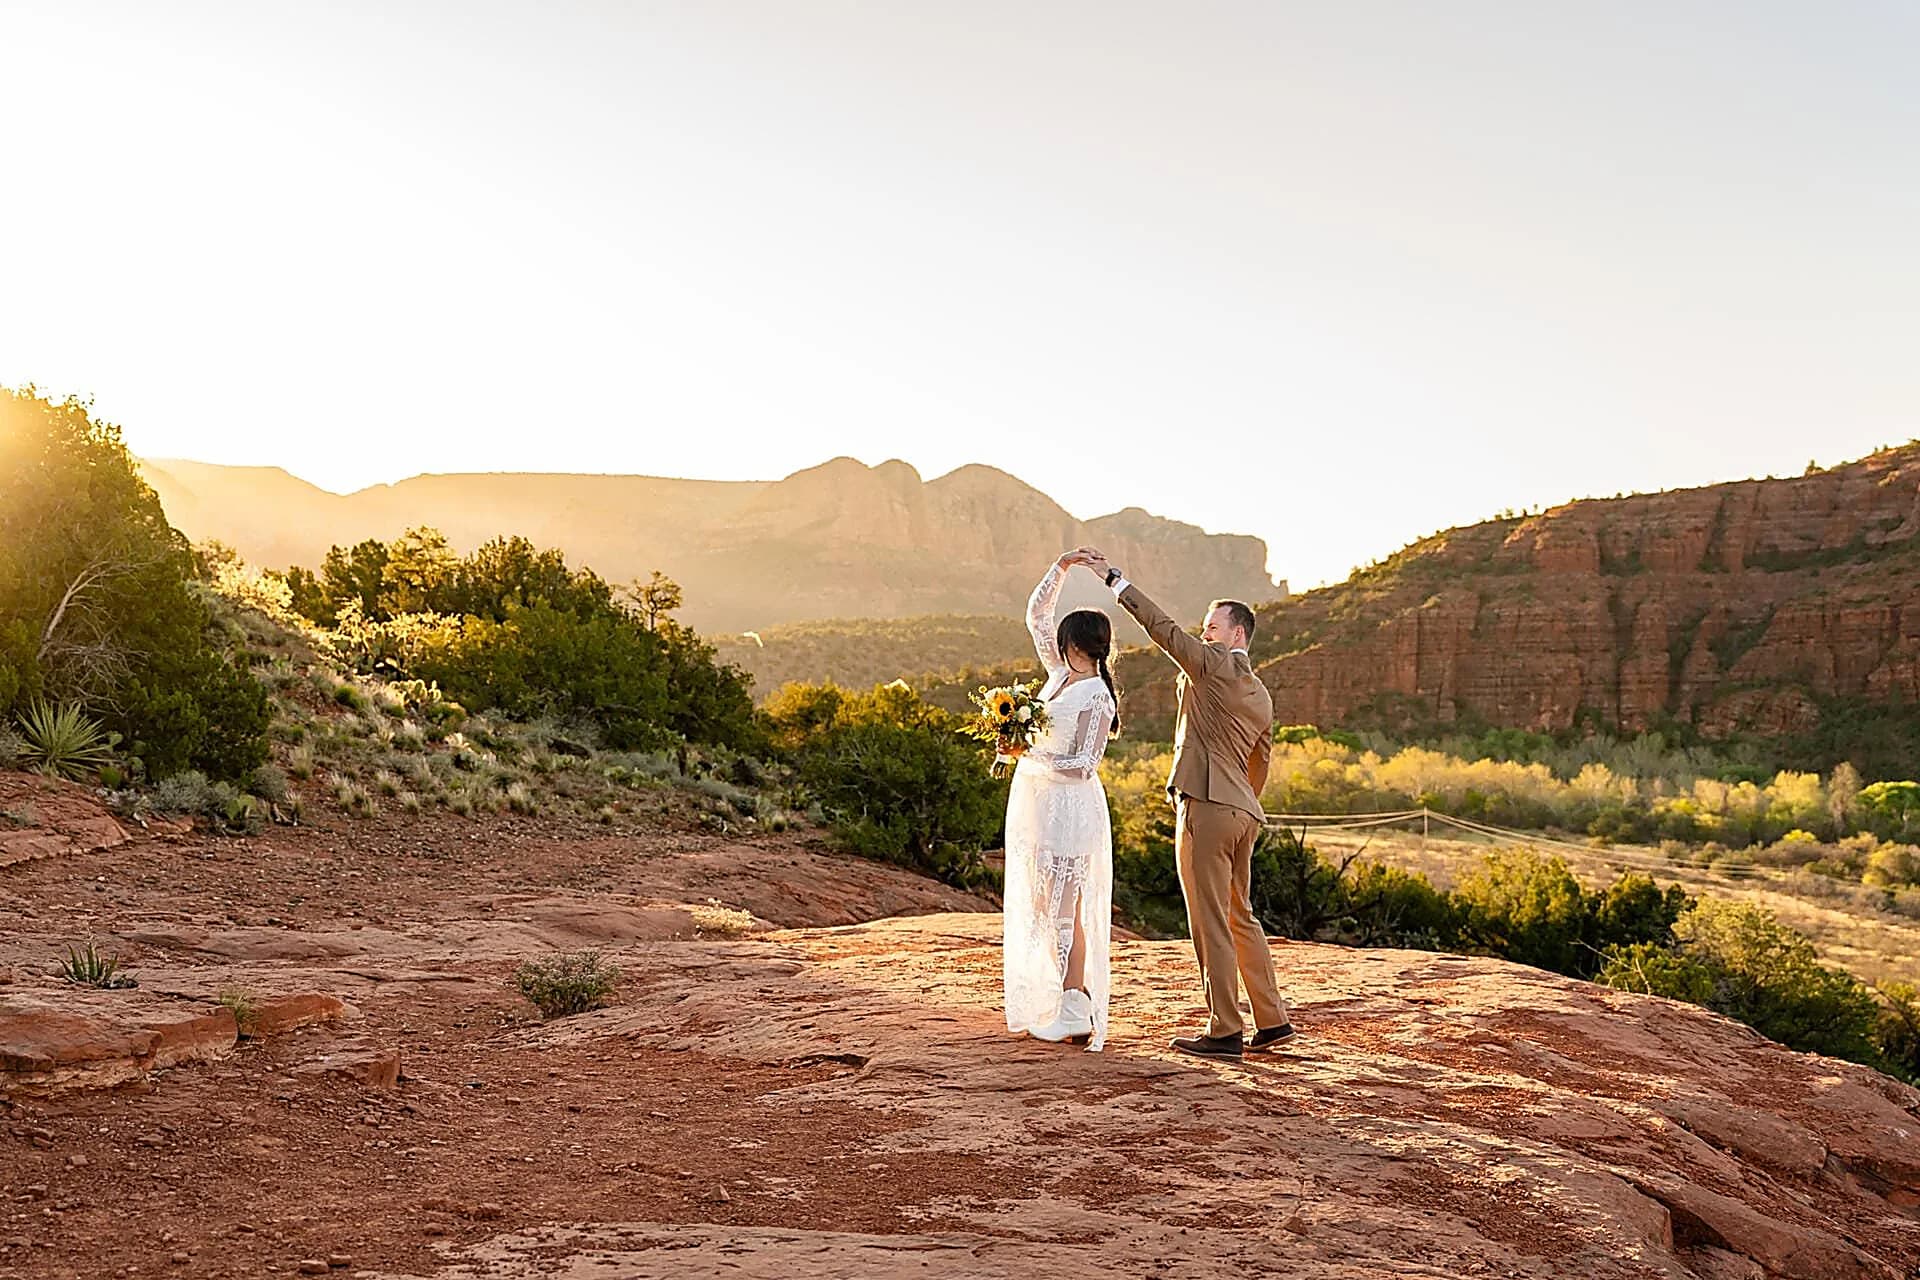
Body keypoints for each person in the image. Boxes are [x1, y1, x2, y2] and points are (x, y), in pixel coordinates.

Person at [1082, 548, 1294, 1060]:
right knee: (1241, 915)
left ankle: (1224, 1029)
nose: (1205, 634)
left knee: (1209, 920)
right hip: (1244, 812)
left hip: (1205, 805)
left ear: (1236, 634)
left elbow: (1164, 630)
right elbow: (1260, 761)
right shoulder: (1260, 693)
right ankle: (1272, 1020)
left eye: (1213, 627)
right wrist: (1241, 801)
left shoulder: (1214, 664)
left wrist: (1115, 582)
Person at [1002, 550, 1120, 1050]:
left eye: (1064, 638)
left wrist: (1028, 752)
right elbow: (1035, 615)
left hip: (1071, 808)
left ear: (1079, 645)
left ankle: (1076, 1005)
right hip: (1040, 805)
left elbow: (1084, 765)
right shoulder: (1058, 677)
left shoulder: (1097, 695)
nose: (1056, 642)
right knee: (1045, 902)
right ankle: (1070, 999)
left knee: (1065, 907)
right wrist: (1062, 567)